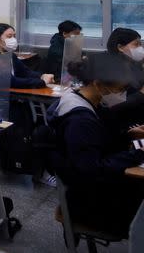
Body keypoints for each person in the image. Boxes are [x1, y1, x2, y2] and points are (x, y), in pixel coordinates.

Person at [47, 54, 144, 237]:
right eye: (120, 89)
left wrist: (129, 134)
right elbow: (92, 169)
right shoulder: (80, 119)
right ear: (98, 84)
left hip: (92, 190)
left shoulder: (83, 99)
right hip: (91, 201)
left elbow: (101, 138)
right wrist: (137, 153)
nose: (122, 94)